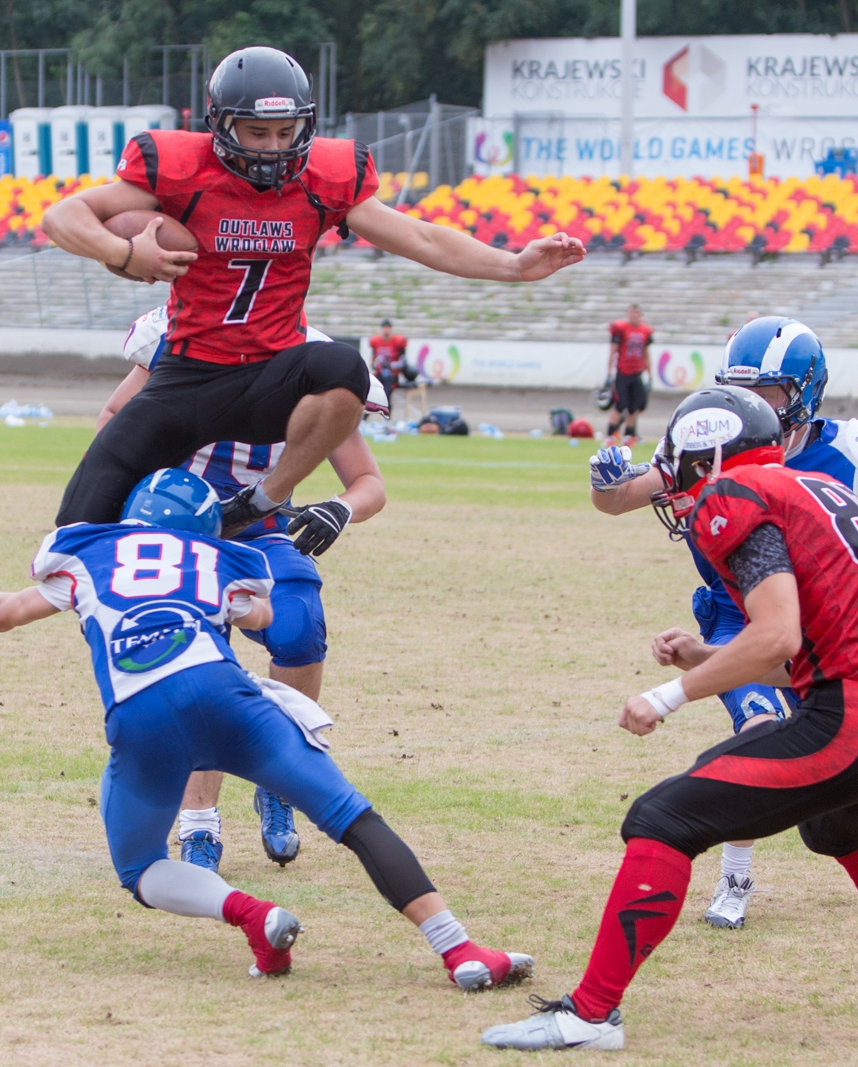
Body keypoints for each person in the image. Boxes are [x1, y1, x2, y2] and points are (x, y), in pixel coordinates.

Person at [482, 388, 858, 1052]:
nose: (678, 488)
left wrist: (669, 693)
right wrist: (713, 656)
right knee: (836, 826)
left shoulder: (735, 495)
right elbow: (802, 648)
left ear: (712, 457)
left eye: (683, 468)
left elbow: (776, 636)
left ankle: (590, 1014)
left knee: (662, 817)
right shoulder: (816, 491)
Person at [0, 468, 532, 991]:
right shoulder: (223, 558)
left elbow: (0, 613)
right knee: (353, 818)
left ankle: (255, 916)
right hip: (227, 699)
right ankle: (458, 948)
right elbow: (265, 616)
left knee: (140, 868)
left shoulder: (87, 554)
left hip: (140, 714)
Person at [40, 45, 582, 535]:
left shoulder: (328, 174)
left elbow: (419, 236)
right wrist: (128, 254)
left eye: (286, 131)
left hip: (270, 374)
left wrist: (512, 265)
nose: (274, 147)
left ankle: (262, 499)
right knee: (77, 526)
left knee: (343, 366)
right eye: (257, 132)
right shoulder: (179, 165)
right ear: (220, 124)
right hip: (190, 371)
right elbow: (63, 215)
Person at [585, 316, 858, 931]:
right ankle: (736, 874)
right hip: (738, 611)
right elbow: (622, 499)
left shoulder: (850, 453)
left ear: (806, 389)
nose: (757, 404)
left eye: (773, 392)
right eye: (745, 389)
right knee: (758, 726)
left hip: (819, 620)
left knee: (837, 802)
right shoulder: (712, 436)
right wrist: (604, 483)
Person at [97, 306, 388, 873]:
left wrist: (339, 509)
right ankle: (198, 823)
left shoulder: (323, 365)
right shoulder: (181, 331)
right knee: (199, 663)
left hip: (259, 531)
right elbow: (115, 415)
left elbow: (368, 482)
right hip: (175, 532)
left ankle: (279, 781)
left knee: (300, 623)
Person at [604, 305, 653, 446]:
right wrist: (608, 373)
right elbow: (613, 352)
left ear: (640, 315)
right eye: (632, 312)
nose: (634, 315)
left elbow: (646, 355)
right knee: (620, 406)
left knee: (635, 407)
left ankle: (629, 436)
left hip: (637, 374)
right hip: (623, 373)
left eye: (637, 312)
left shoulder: (645, 331)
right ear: (627, 314)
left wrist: (649, 376)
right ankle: (610, 436)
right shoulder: (621, 329)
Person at [368, 319, 407, 418]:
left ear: (391, 329)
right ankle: (364, 420)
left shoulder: (397, 342)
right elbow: (373, 361)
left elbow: (403, 362)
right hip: (380, 373)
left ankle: (386, 421)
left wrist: (391, 365)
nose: (386, 330)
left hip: (392, 374)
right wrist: (376, 364)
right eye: (384, 328)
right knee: (368, 391)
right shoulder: (376, 342)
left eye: (388, 328)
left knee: (386, 395)